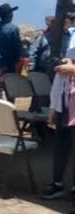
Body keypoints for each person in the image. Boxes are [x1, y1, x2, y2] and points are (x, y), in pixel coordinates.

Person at [42, 48, 75, 204]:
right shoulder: (71, 51)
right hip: (65, 107)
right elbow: (59, 82)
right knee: (60, 147)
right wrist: (53, 108)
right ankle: (58, 184)